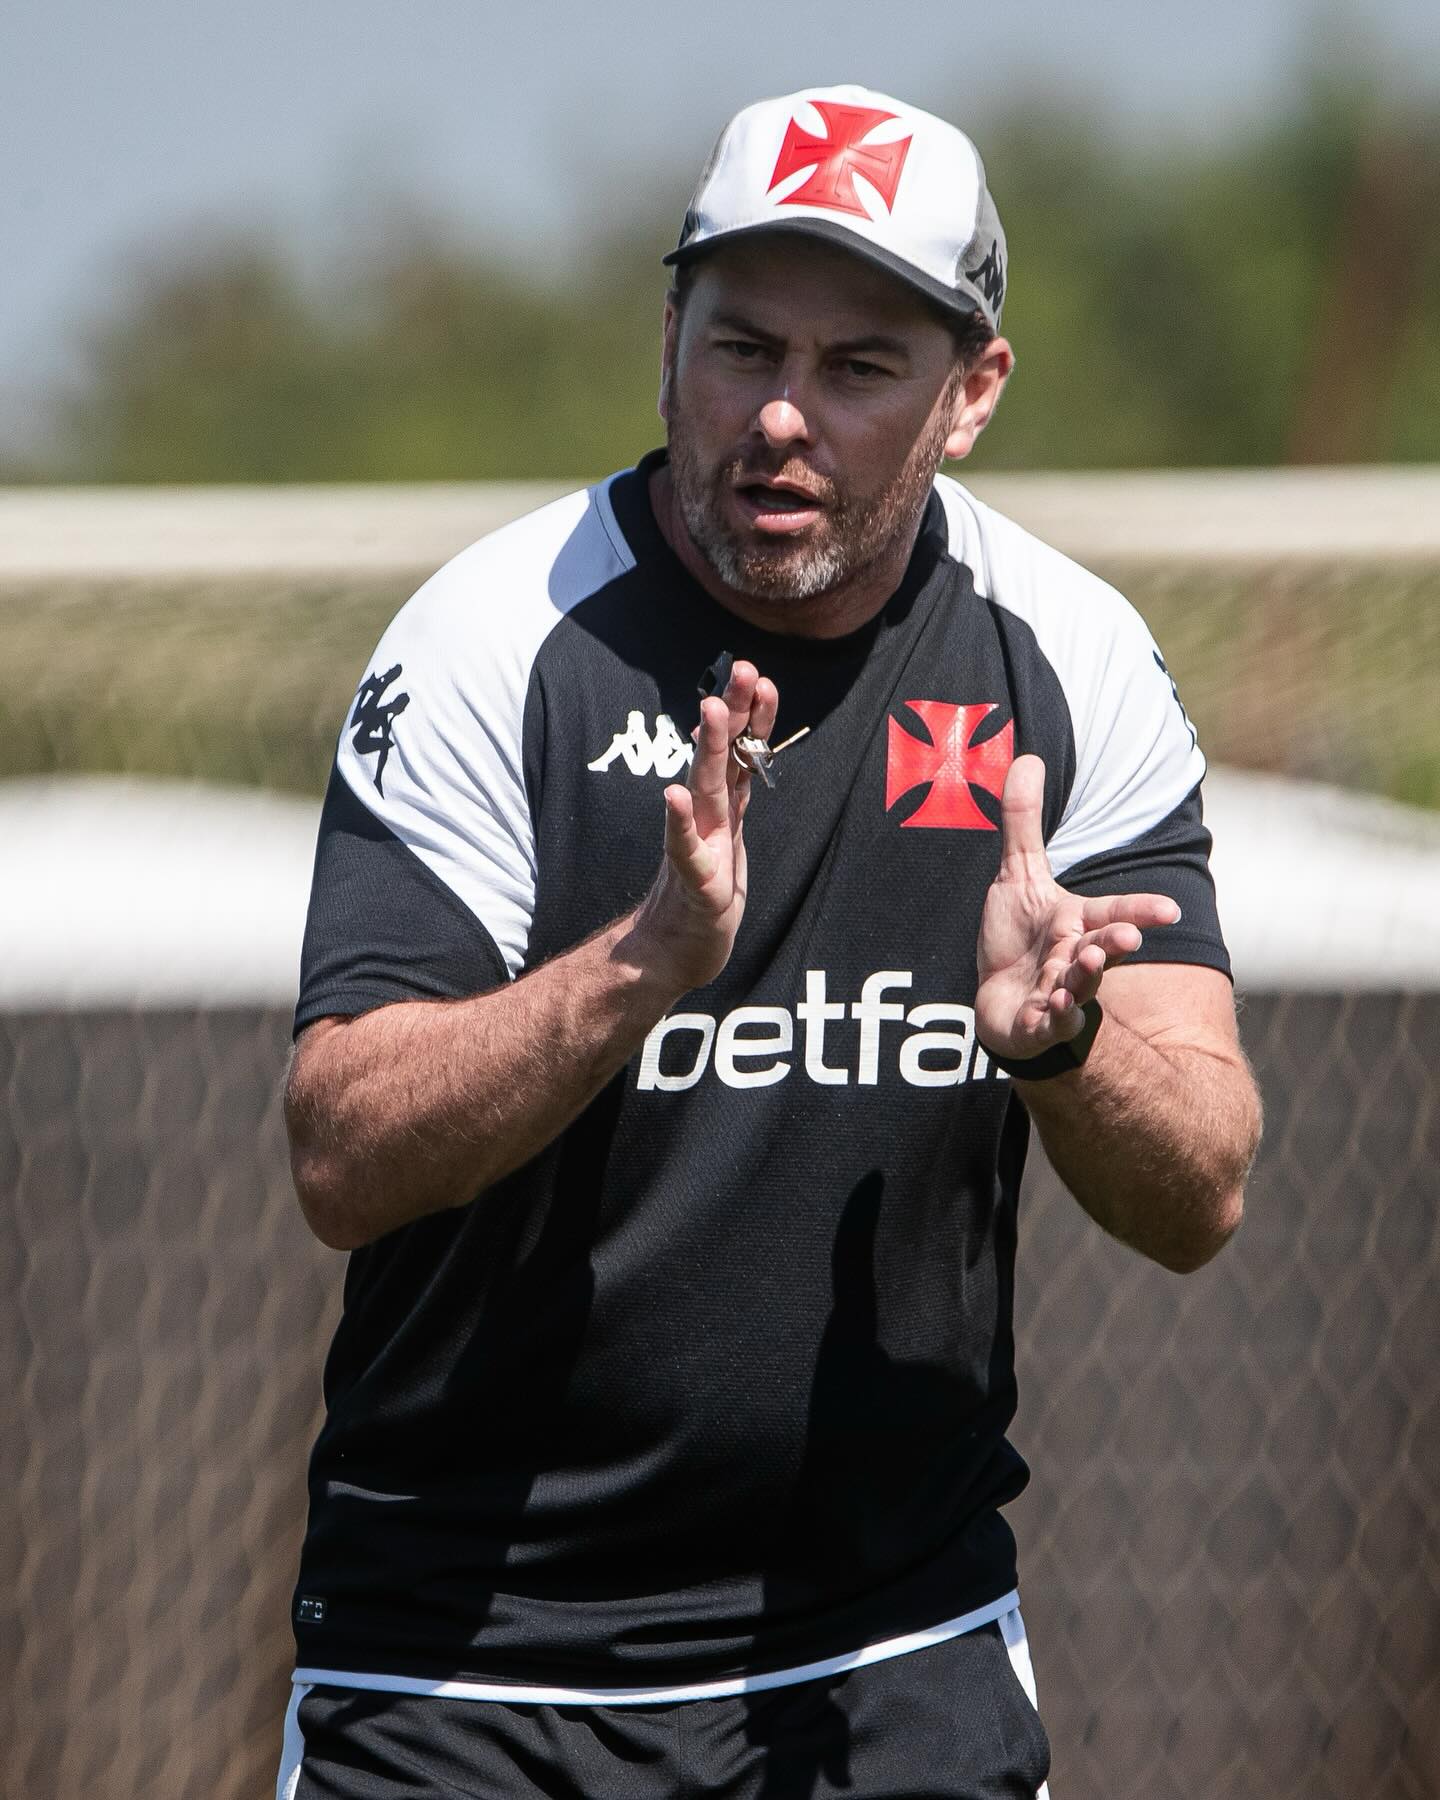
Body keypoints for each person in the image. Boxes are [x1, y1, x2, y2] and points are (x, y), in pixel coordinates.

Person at [278, 84, 1262, 1800]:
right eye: (742, 347)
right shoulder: (494, 640)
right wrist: (643, 964)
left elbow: (1203, 1196)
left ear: (973, 394)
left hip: (889, 1658)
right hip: (462, 1669)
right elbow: (339, 1155)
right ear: (669, 341)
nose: (781, 416)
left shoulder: (1069, 658)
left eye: (860, 366)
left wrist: (1065, 1048)